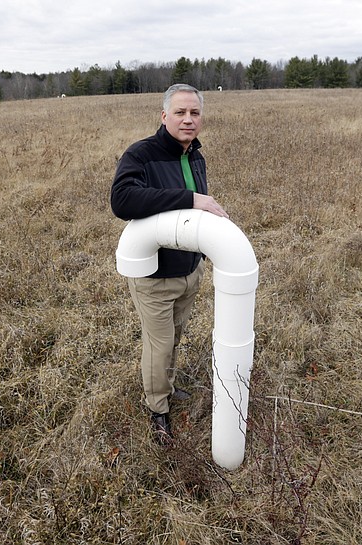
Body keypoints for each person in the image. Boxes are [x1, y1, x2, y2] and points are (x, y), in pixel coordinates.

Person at [110, 83, 229, 445]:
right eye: (180, 112)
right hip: (156, 277)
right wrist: (190, 198)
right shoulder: (141, 155)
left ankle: (167, 387)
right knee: (159, 345)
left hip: (189, 271)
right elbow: (123, 200)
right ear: (164, 116)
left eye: (194, 113)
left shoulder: (195, 155)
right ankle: (157, 409)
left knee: (175, 338)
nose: (188, 120)